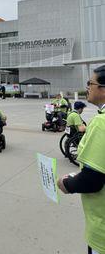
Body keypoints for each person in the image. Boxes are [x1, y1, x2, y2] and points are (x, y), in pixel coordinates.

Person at [57, 65, 105, 254]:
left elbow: (91, 180)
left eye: (90, 83)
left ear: (103, 88)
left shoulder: (101, 123)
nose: (87, 88)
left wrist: (66, 183)